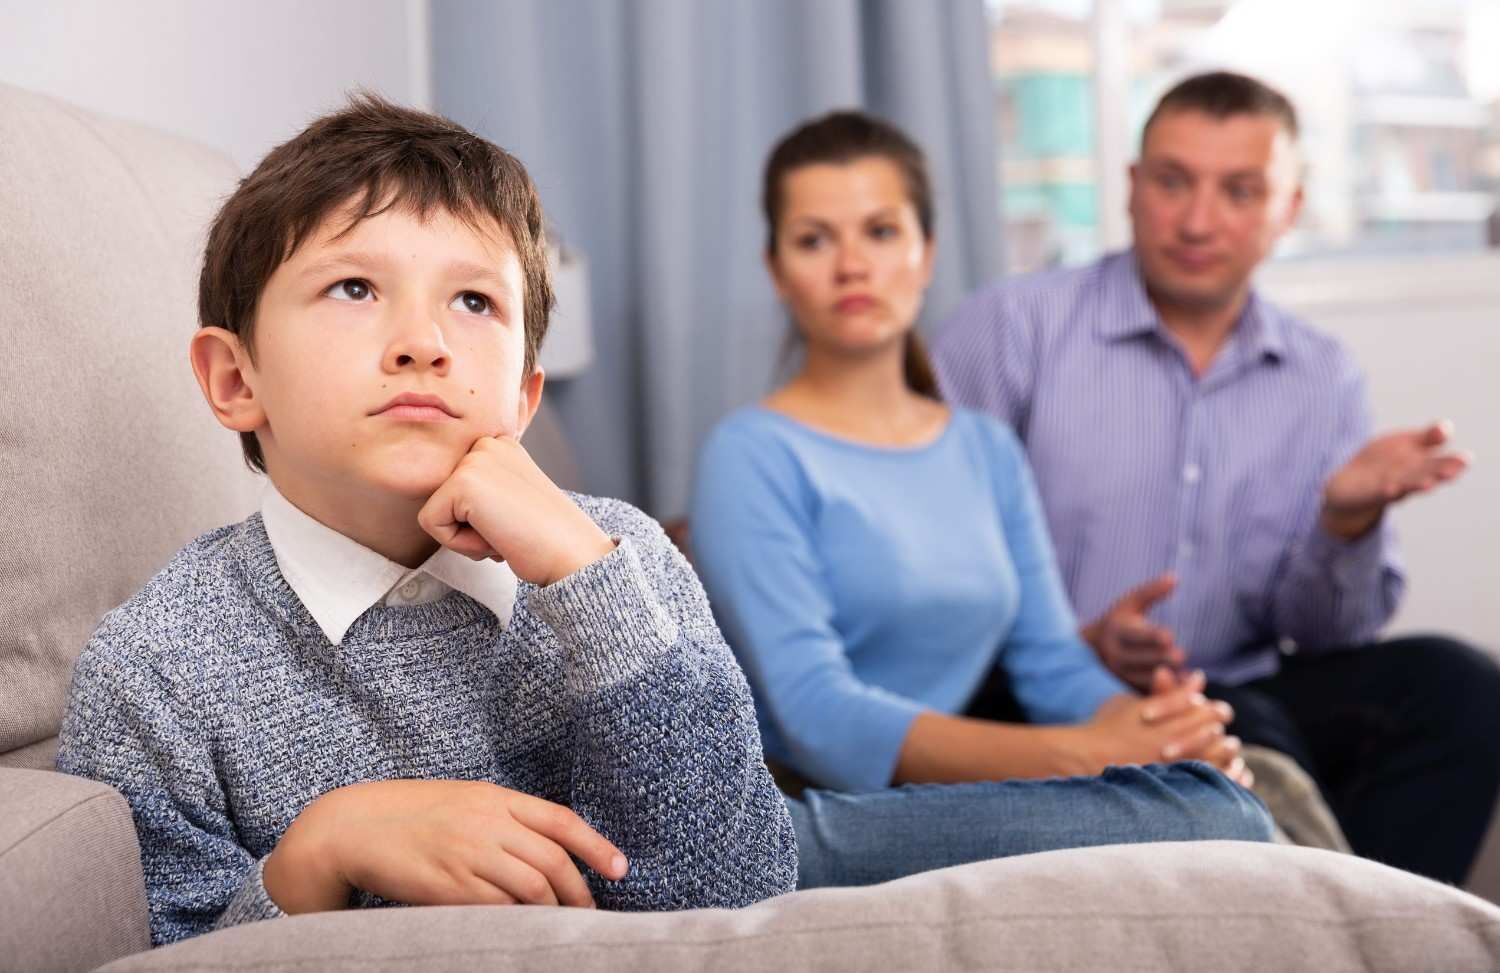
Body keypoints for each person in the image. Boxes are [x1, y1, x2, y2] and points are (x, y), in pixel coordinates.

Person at [54, 96, 797, 947]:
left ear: (523, 397)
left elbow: (745, 904)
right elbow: (161, 954)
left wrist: (590, 586)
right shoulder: (153, 667)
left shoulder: (622, 563)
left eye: (474, 301)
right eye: (354, 287)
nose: (423, 342)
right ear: (235, 379)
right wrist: (322, 852)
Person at [935, 70, 1500, 886]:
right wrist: (1077, 640)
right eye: (1173, 182)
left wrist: (1344, 525)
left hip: (1241, 687)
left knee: (1462, 687)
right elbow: (930, 561)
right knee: (1248, 742)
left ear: (1289, 208)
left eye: (1240, 191)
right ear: (1132, 186)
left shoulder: (1321, 375)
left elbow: (1325, 634)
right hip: (1039, 688)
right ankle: (1321, 903)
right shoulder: (1012, 329)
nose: (1198, 221)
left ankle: (1375, 926)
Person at [690, 110, 1272, 891]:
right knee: (1219, 816)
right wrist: (1090, 753)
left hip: (945, 793)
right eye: (814, 240)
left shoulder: (985, 448)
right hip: (812, 808)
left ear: (926, 253)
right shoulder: (749, 453)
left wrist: (1154, 726)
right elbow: (819, 716)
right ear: (776, 269)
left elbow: (1052, 662)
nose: (852, 266)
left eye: (881, 232)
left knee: (1241, 781)